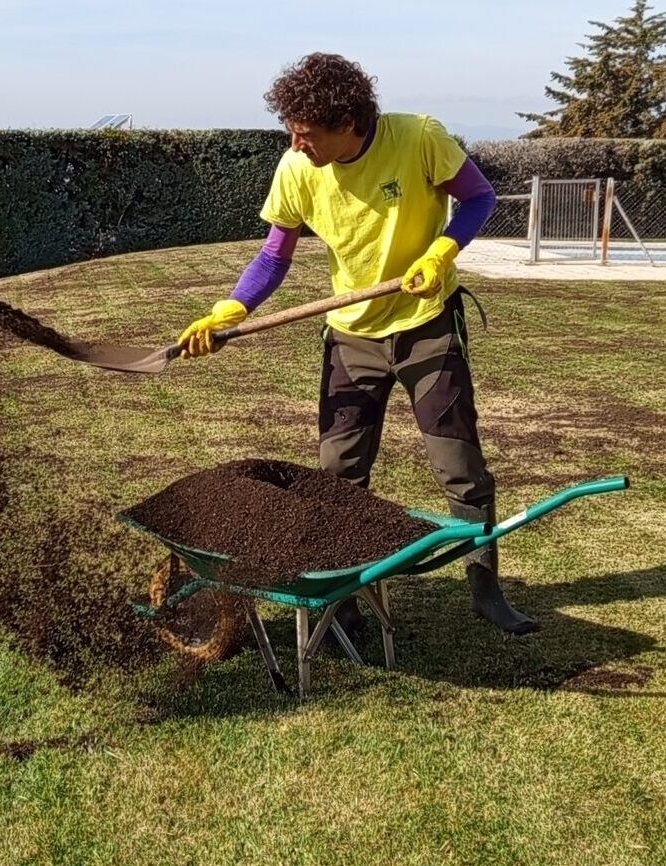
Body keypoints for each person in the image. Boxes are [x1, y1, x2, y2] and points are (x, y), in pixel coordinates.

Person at [177, 53, 537, 635]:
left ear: (349, 122)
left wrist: (441, 252)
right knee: (338, 471)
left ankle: (485, 589)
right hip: (352, 336)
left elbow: (479, 199)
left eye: (306, 133)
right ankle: (343, 596)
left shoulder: (418, 138)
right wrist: (233, 307)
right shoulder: (297, 169)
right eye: (290, 131)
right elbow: (274, 254)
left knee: (460, 467)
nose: (296, 144)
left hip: (427, 325)